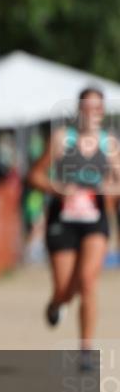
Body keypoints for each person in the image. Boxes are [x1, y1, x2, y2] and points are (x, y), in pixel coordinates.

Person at [27, 87, 120, 372]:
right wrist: (57, 189)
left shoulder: (111, 145)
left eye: (97, 108)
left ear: (103, 113)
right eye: (86, 108)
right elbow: (34, 175)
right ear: (78, 111)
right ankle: (56, 305)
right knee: (65, 288)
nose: (92, 113)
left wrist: (109, 189)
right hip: (63, 220)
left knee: (88, 281)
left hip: (94, 220)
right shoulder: (61, 140)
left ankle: (86, 351)